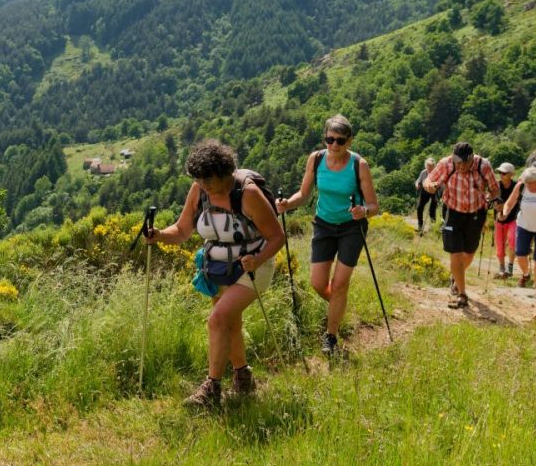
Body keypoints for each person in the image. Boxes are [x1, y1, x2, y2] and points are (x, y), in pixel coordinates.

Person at [145, 139, 285, 407]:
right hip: (218, 267)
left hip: (253, 266)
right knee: (230, 323)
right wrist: (160, 235)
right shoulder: (199, 191)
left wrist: (257, 259)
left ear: (225, 173)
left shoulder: (248, 194)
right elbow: (183, 229)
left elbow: (277, 237)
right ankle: (243, 377)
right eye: (198, 179)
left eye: (208, 179)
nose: (203, 185)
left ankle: (211, 389)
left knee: (218, 319)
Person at [277, 115, 378, 357]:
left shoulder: (359, 165)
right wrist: (286, 204)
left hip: (352, 228)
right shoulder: (316, 159)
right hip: (323, 224)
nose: (333, 145)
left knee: (340, 283)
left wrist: (363, 210)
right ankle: (339, 306)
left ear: (349, 141)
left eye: (340, 141)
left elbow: (375, 206)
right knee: (318, 284)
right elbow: (303, 194)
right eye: (329, 139)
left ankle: (331, 336)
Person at [422, 141, 499, 309]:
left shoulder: (483, 165)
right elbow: (428, 180)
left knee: (469, 253)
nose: (461, 166)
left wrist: (495, 199)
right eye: (458, 162)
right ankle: (461, 293)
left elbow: (494, 188)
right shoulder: (445, 164)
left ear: (472, 159)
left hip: (476, 213)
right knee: (455, 253)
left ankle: (456, 276)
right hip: (453, 212)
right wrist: (430, 186)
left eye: (465, 163)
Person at [492, 162, 520, 278]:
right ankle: (502, 268)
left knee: (512, 240)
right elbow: (494, 202)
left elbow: (516, 202)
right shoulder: (497, 186)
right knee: (500, 243)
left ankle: (510, 267)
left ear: (510, 175)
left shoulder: (516, 186)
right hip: (499, 219)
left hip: (512, 218)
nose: (501, 175)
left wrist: (505, 211)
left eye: (503, 173)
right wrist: (499, 212)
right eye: (500, 172)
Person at [414, 157, 439, 233]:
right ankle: (420, 226)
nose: (429, 168)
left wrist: (434, 185)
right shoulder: (423, 172)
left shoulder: (437, 172)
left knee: (432, 209)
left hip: (434, 192)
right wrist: (417, 184)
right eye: (428, 166)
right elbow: (419, 180)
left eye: (430, 167)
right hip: (424, 191)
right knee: (419, 207)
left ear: (434, 166)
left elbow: (439, 182)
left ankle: (433, 227)